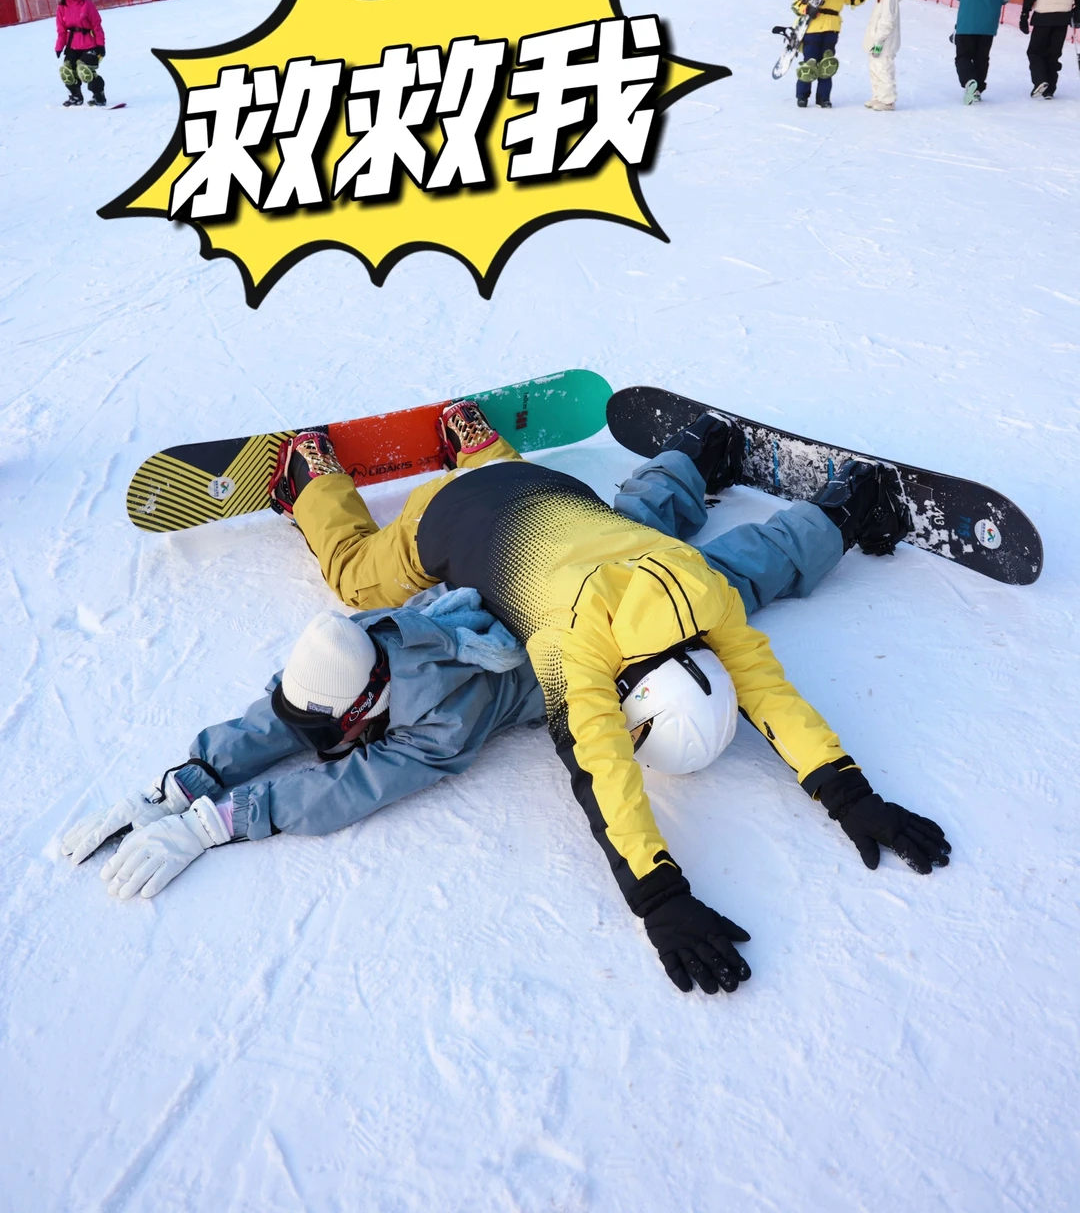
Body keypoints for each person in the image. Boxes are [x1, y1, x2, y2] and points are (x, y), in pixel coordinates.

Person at [62, 406, 948, 1000]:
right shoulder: (390, 645)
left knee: (631, 530)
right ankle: (386, 459)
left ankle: (339, 471)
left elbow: (602, 766)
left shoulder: (572, 653)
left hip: (508, 517)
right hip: (503, 510)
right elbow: (307, 725)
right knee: (393, 567)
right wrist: (196, 796)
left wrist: (660, 894)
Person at [793, 0, 873, 108]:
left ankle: (823, 98)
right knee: (810, 62)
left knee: (827, 64)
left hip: (832, 28)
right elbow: (798, 2)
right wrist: (808, 9)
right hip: (813, 27)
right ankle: (802, 96)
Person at [54, 0, 107, 107]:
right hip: (72, 45)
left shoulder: (86, 3)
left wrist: (100, 45)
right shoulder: (61, 7)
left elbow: (97, 25)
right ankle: (75, 96)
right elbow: (61, 30)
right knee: (66, 71)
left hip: (89, 44)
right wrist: (59, 47)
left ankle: (99, 96)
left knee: (84, 70)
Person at [864, 0, 907, 111]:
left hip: (884, 40)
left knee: (883, 67)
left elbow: (887, 20)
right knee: (875, 66)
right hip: (878, 37)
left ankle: (888, 100)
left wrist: (879, 40)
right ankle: (878, 96)